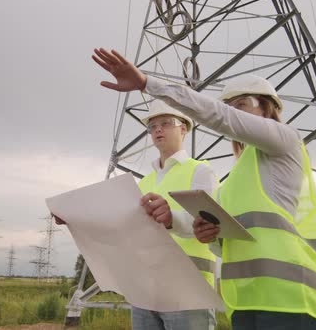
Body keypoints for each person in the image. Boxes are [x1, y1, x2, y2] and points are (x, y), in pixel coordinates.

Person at [91, 47, 316, 330]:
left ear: (267, 106)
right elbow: (227, 243)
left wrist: (148, 84)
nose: (234, 113)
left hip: (294, 303)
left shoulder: (285, 141)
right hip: (246, 304)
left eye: (241, 104)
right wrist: (209, 235)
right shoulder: (235, 180)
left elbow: (221, 117)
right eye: (231, 106)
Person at [54, 98, 220, 329]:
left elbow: (210, 226)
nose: (157, 129)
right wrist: (76, 219)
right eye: (152, 126)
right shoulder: (146, 182)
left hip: (188, 292)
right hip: (146, 290)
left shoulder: (201, 171)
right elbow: (124, 228)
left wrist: (172, 217)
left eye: (166, 122)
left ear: (184, 128)